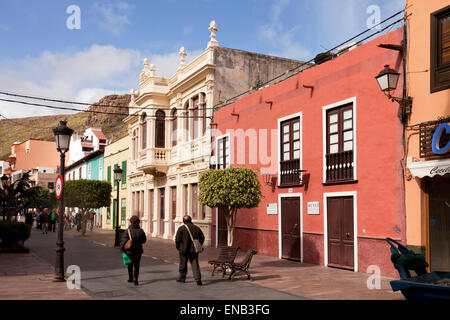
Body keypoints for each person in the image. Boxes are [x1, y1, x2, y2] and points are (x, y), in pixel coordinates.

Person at [175, 215, 205, 285]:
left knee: (183, 264)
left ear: (183, 221)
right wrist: (199, 244)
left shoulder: (181, 228)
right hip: (194, 249)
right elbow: (202, 237)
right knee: (195, 264)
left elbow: (177, 239)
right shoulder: (196, 228)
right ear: (191, 220)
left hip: (183, 249)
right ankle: (198, 278)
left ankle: (182, 278)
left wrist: (178, 247)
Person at [120, 215, 147, 286]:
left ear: (131, 222)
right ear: (138, 222)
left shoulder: (127, 231)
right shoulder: (141, 231)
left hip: (129, 251)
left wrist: (121, 249)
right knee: (137, 265)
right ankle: (136, 279)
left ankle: (131, 278)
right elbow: (144, 240)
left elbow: (123, 241)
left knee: (130, 265)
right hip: (138, 251)